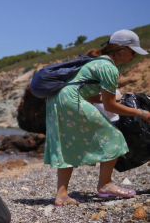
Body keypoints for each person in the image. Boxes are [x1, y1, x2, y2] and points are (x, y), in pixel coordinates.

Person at [44, 29, 150, 206]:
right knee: (114, 136)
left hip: (57, 100)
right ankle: (105, 184)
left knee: (66, 144)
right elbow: (110, 106)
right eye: (133, 52)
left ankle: (61, 194)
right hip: (70, 101)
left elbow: (86, 93)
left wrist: (106, 99)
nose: (134, 56)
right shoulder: (109, 68)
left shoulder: (98, 63)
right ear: (122, 50)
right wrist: (143, 113)